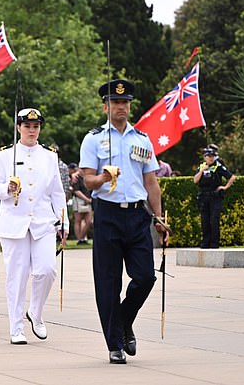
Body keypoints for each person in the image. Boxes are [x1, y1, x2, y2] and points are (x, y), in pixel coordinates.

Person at [79, 79, 165, 364]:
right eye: (116, 102)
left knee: (145, 276)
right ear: (105, 106)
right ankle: (114, 343)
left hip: (137, 215)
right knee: (108, 282)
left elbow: (151, 182)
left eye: (125, 102)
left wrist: (159, 217)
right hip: (108, 214)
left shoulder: (141, 138)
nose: (122, 107)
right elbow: (87, 179)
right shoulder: (93, 139)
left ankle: (124, 320)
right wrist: (102, 178)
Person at [0, 108, 68, 345]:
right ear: (19, 128)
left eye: (35, 127)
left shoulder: (49, 156)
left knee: (47, 270)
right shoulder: (5, 156)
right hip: (14, 223)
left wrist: (63, 221)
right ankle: (16, 327)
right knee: (17, 275)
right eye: (27, 126)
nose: (32, 130)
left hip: (43, 221)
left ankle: (35, 311)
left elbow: (56, 191)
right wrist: (7, 190)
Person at [194, 146, 236, 249]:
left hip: (215, 196)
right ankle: (205, 243)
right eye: (208, 156)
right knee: (205, 220)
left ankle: (214, 243)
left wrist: (225, 187)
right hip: (204, 196)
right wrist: (201, 171)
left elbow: (232, 177)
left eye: (212, 156)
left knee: (214, 219)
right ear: (204, 157)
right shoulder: (202, 166)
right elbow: (195, 180)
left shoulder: (218, 166)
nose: (210, 158)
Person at [68, 163, 93, 245]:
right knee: (78, 220)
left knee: (89, 221)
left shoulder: (86, 177)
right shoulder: (77, 177)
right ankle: (80, 239)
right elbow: (76, 190)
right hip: (79, 200)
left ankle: (82, 238)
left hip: (87, 200)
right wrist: (86, 199)